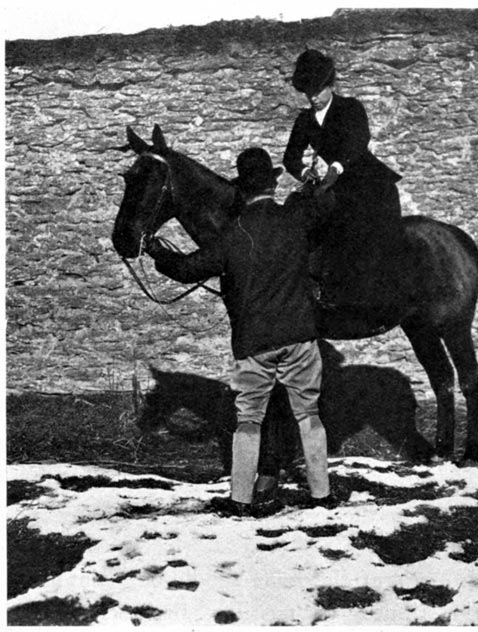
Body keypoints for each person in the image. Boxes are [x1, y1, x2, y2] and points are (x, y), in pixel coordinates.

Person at [145, 147, 336, 517]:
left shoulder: (232, 235)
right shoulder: (296, 218)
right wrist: (316, 182)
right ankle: (321, 496)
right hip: (300, 337)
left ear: (242, 190)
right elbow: (323, 207)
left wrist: (157, 251)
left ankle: (241, 500)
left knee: (249, 420)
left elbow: (186, 269)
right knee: (308, 415)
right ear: (272, 185)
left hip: (254, 344)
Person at [284, 49, 403, 316]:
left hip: (368, 181)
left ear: (330, 86)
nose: (313, 98)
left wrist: (337, 166)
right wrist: (304, 172)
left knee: (358, 227)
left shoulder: (350, 108)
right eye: (308, 93)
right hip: (333, 185)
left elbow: (358, 141)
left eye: (318, 91)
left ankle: (373, 288)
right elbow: (290, 157)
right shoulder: (304, 120)